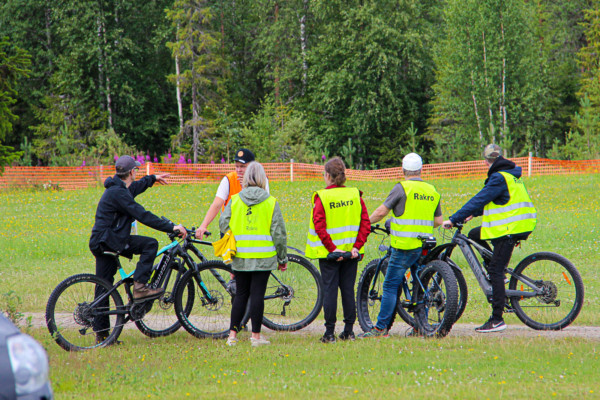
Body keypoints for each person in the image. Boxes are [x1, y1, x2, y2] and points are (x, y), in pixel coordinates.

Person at [89, 155, 187, 342]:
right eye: (136, 170)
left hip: (103, 240)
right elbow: (142, 214)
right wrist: (171, 227)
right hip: (109, 241)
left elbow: (135, 188)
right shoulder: (118, 193)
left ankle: (102, 335)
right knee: (150, 244)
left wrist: (153, 179)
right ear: (132, 172)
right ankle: (140, 287)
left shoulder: (119, 188)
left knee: (104, 286)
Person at [443, 144, 536, 333]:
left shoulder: (498, 177)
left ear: (487, 161)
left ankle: (497, 319)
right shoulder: (510, 175)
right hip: (520, 224)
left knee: (495, 269)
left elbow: (480, 198)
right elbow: (497, 200)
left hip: (510, 227)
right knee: (474, 235)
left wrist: (454, 218)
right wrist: (473, 214)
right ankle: (496, 272)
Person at [359, 153, 442, 338]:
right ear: (421, 169)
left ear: (403, 170)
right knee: (420, 285)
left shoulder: (402, 188)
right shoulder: (432, 190)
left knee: (389, 285)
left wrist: (365, 222)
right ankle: (420, 326)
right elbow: (438, 221)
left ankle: (381, 328)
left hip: (404, 246)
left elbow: (381, 212)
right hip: (424, 246)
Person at [220, 162, 287, 347]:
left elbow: (223, 224)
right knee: (257, 294)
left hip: (240, 256)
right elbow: (279, 233)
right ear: (262, 178)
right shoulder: (271, 202)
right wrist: (282, 258)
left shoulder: (235, 200)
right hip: (263, 257)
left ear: (246, 178)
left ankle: (232, 336)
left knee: (241, 294)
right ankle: (256, 337)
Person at [305, 157, 371, 343]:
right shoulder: (355, 195)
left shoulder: (322, 197)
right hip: (351, 253)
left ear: (327, 175)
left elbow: (319, 225)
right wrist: (357, 247)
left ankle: (329, 333)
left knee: (330, 291)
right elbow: (365, 223)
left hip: (330, 255)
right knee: (348, 290)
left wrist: (333, 249)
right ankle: (349, 331)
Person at [195, 148, 269, 239]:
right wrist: (203, 226)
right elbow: (217, 204)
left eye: (243, 166)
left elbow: (263, 205)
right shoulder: (229, 179)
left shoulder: (262, 180)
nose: (239, 170)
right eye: (237, 166)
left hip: (253, 228)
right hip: (230, 229)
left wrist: (247, 187)